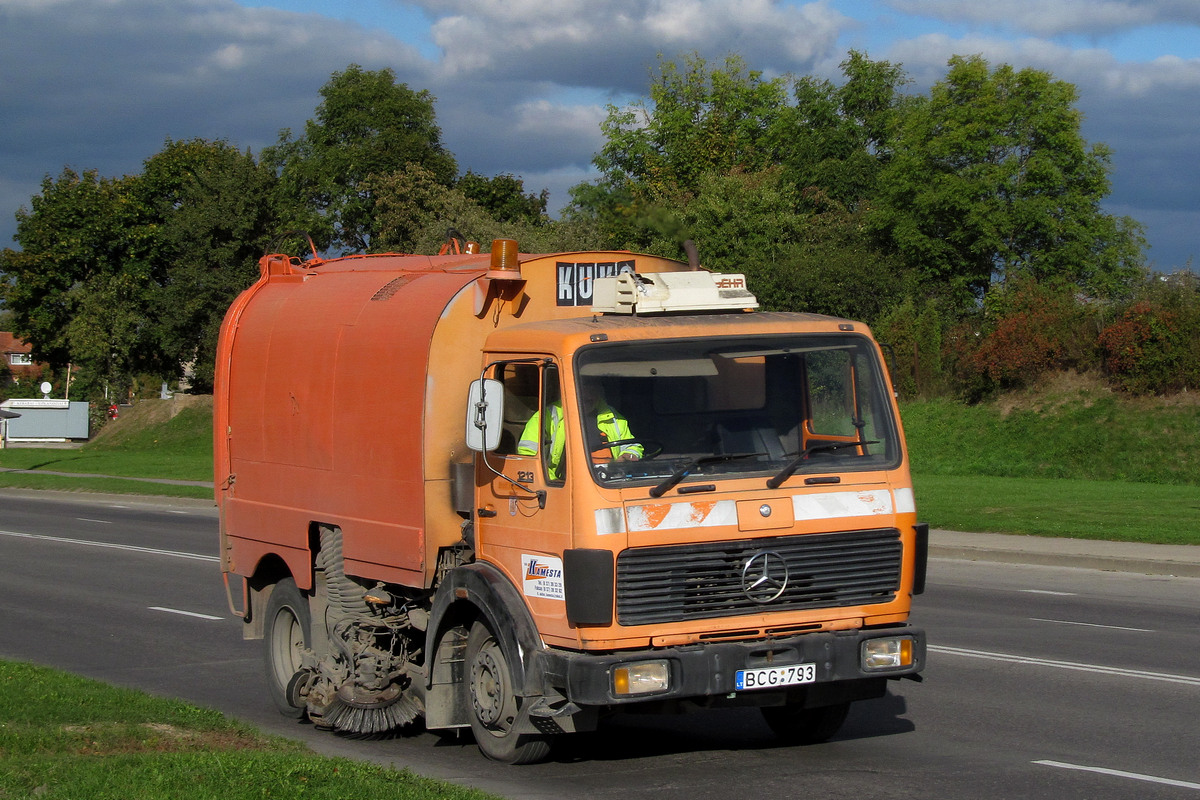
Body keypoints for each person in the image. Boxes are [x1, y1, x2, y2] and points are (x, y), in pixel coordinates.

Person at [518, 382, 641, 480]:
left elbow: (632, 446)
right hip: (565, 486)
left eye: (592, 390)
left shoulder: (612, 416)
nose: (587, 395)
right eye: (582, 388)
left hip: (609, 484)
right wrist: (554, 484)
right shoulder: (547, 416)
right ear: (569, 388)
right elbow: (529, 455)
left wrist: (628, 455)